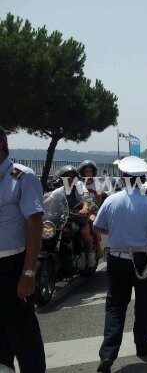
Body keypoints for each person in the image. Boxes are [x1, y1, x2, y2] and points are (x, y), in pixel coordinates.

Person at [93, 156, 147, 373]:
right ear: (142, 180)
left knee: (115, 306)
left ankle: (108, 355)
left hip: (116, 258)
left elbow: (98, 227)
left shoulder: (110, 201)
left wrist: (115, 233)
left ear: (122, 178)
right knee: (144, 304)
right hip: (141, 258)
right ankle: (143, 345)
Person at [0, 127, 46, 372]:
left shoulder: (22, 176)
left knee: (23, 334)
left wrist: (29, 273)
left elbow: (35, 224)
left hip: (12, 266)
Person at [50, 165, 96, 266]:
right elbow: (48, 200)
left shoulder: (79, 187)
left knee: (84, 232)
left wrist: (84, 208)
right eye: (67, 177)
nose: (70, 179)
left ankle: (90, 253)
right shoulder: (59, 191)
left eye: (72, 177)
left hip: (79, 217)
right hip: (64, 219)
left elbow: (87, 199)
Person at [78, 160, 105, 258]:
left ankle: (98, 246)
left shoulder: (97, 185)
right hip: (79, 209)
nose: (89, 174)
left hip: (93, 209)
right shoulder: (79, 183)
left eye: (90, 171)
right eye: (86, 171)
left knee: (93, 221)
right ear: (82, 172)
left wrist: (91, 210)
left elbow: (98, 202)